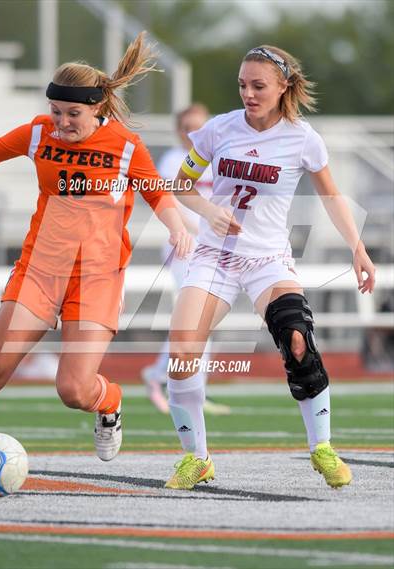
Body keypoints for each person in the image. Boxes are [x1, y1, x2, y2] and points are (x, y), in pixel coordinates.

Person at [164, 45, 376, 490]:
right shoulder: (218, 130)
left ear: (284, 87)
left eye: (258, 85)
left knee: (297, 339)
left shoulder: (303, 137)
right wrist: (208, 209)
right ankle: (197, 459)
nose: (248, 93)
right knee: (182, 354)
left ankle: (321, 446)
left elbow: (331, 196)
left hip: (268, 259)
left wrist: (357, 247)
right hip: (215, 257)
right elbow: (180, 185)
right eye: (242, 85)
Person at [0, 32, 192, 462]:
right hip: (39, 270)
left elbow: (157, 193)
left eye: (72, 113)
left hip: (96, 278)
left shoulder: (126, 146)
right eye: (55, 111)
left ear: (98, 108)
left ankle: (109, 402)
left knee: (73, 389)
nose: (61, 122)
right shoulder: (38, 134)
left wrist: (178, 227)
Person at [141, 103, 230, 416]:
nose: (192, 134)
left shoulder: (216, 158)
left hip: (214, 245)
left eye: (198, 127)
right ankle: (171, 380)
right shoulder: (172, 160)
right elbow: (173, 203)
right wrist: (205, 229)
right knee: (194, 319)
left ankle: (174, 380)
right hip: (188, 246)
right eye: (186, 127)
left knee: (205, 321)